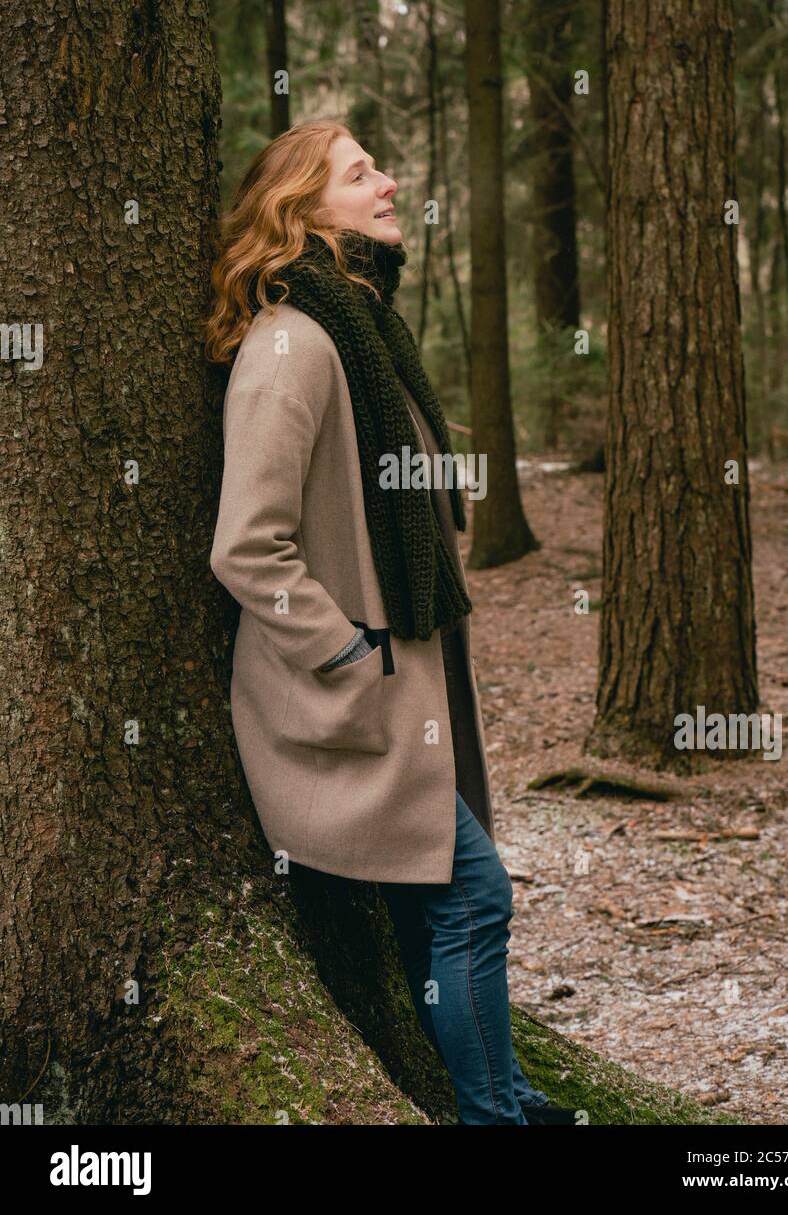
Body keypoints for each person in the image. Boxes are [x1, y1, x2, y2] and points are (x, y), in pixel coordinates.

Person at [204, 118, 573, 1125]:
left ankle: (509, 1096)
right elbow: (247, 546)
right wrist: (349, 652)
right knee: (472, 895)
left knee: (436, 905)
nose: (389, 181)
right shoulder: (295, 345)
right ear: (300, 207)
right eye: (360, 172)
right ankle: (493, 1116)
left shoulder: (361, 327)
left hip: (401, 680)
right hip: (337, 700)